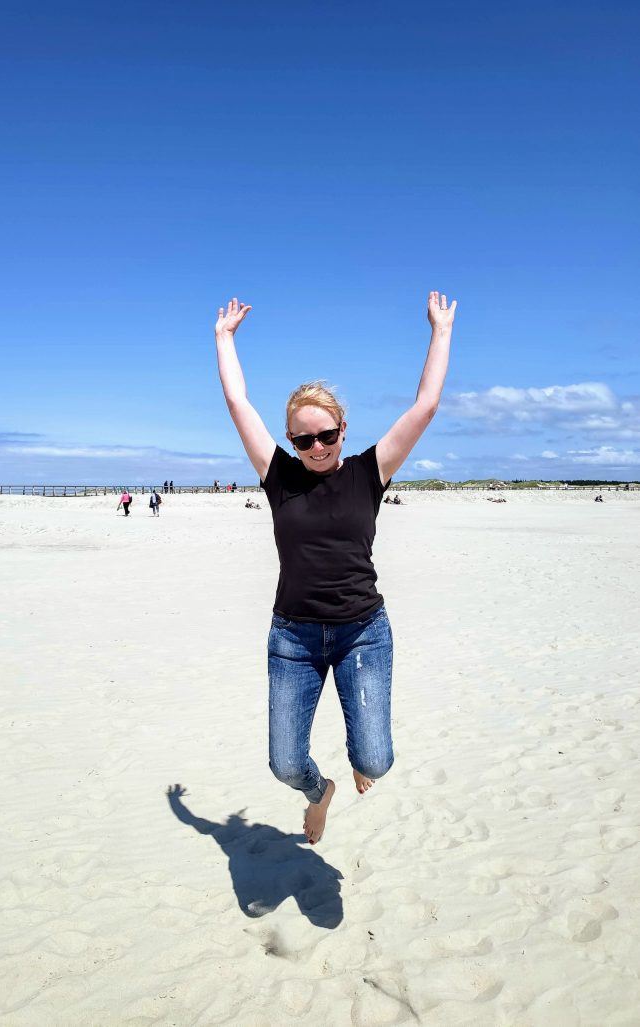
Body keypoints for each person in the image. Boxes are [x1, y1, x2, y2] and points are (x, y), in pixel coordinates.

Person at [215, 292, 456, 845]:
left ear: (343, 429)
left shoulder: (370, 471)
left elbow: (424, 407)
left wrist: (439, 330)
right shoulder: (278, 474)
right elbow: (238, 403)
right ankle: (318, 792)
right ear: (291, 440)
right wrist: (224, 338)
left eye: (327, 434)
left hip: (362, 634)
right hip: (292, 638)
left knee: (376, 760)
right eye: (304, 438)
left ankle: (356, 764)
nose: (317, 446)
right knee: (283, 763)